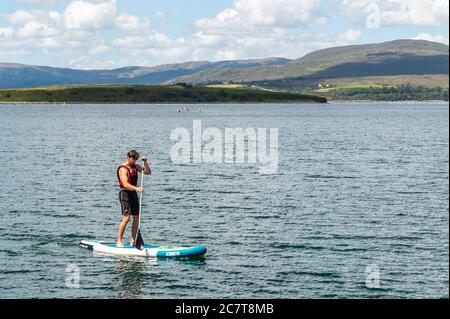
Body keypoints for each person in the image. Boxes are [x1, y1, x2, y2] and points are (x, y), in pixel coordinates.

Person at [116, 150, 151, 248]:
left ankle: (133, 240)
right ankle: (119, 241)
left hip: (133, 194)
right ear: (129, 157)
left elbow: (148, 172)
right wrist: (137, 188)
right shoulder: (123, 169)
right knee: (126, 218)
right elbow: (125, 183)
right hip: (125, 193)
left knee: (136, 217)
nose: (135, 161)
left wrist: (145, 162)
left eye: (136, 159)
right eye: (133, 159)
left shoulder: (135, 166)